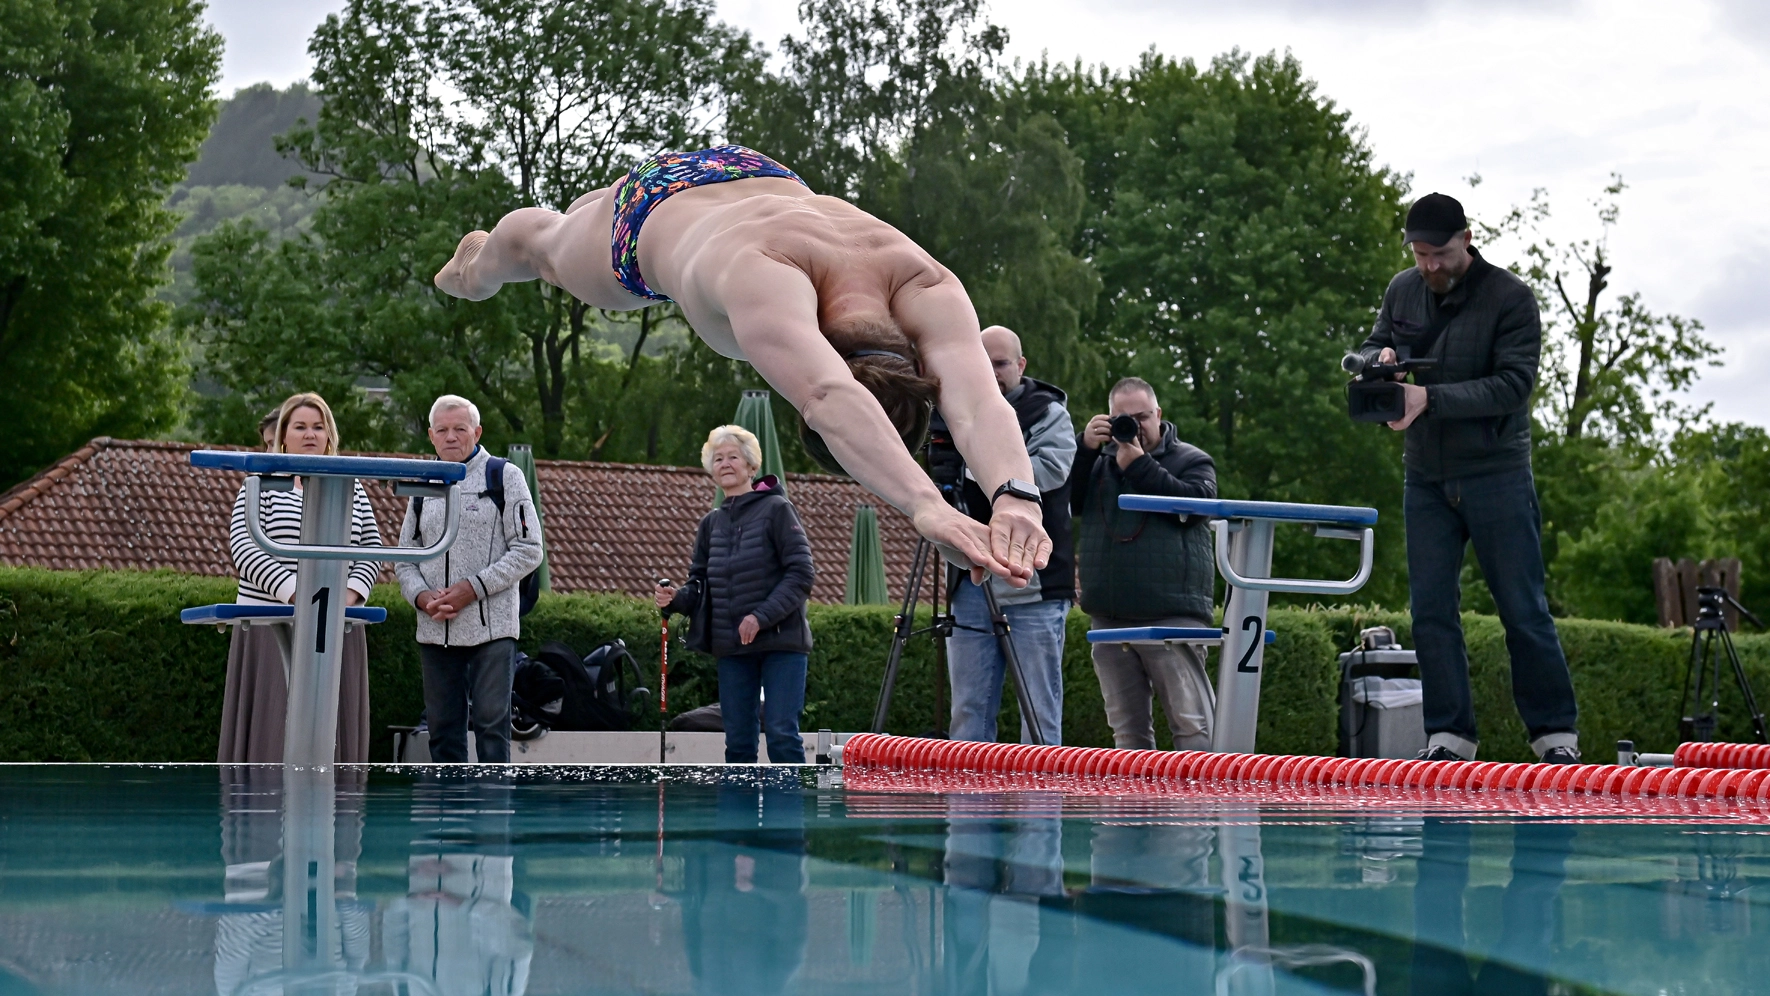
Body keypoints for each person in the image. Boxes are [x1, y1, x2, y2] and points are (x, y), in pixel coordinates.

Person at [432, 145, 1051, 590]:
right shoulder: (767, 281)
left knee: (575, 236)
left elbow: (974, 404)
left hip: (760, 175)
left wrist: (1017, 498)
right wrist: (924, 505)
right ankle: (476, 271)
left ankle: (574, 217)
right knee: (539, 248)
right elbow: (832, 396)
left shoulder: (924, 280)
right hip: (649, 215)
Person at [1355, 192, 1580, 764]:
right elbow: (1375, 340)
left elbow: (1512, 387)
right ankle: (1449, 737)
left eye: (1438, 253)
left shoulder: (1511, 298)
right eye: (1419, 254)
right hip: (1425, 477)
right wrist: (1378, 360)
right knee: (1429, 610)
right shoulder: (1402, 288)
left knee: (1522, 609)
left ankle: (1555, 736)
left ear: (1467, 239)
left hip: (1496, 472)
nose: (1428, 265)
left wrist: (1427, 397)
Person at [219, 392, 383, 763]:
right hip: (272, 622)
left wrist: (350, 596)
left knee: (332, 732)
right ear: (283, 436)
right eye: (300, 427)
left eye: (318, 426)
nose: (310, 434)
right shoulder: (258, 483)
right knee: (274, 727)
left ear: (329, 435)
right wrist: (298, 595)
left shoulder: (351, 487)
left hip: (337, 624)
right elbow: (245, 549)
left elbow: (371, 546)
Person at [1071, 377, 1219, 751]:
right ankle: (1134, 810)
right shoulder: (1098, 463)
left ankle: (1199, 808)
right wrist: (1085, 447)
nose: (1135, 426)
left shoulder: (1193, 459)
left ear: (1159, 414)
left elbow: (1196, 506)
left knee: (1191, 726)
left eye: (1142, 417)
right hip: (1110, 615)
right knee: (1127, 735)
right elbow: (1064, 503)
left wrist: (1140, 466)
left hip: (1172, 613)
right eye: (1124, 419)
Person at [396, 395, 545, 764]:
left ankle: (493, 819)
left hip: (492, 631)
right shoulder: (420, 482)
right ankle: (451, 818)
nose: (451, 437)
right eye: (442, 430)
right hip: (435, 627)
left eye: (459, 429)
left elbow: (529, 550)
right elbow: (404, 559)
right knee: (443, 732)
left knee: (492, 729)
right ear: (431, 436)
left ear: (476, 432)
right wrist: (421, 597)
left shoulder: (505, 475)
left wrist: (471, 589)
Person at [656, 425, 815, 764]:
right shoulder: (710, 524)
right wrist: (677, 598)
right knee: (738, 744)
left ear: (751, 466)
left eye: (733, 457)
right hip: (732, 648)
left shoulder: (777, 510)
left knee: (781, 736)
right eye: (718, 459)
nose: (725, 463)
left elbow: (801, 574)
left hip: (781, 643)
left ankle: (785, 817)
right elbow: (700, 583)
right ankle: (737, 819)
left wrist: (760, 617)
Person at [947, 325, 1075, 745]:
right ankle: (968, 803)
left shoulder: (1048, 413)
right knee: (969, 707)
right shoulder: (953, 412)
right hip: (971, 578)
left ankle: (1039, 808)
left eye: (1000, 363)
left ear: (1020, 365)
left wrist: (979, 468)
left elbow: (1052, 471)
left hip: (1033, 580)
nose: (992, 372)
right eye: (982, 363)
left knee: (1039, 710)